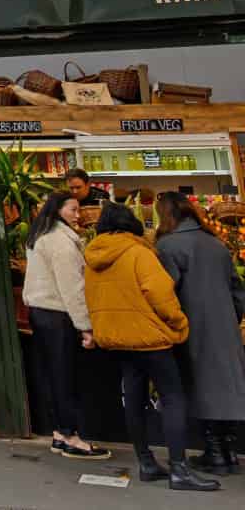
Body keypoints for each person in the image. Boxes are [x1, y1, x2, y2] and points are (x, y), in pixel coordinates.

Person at [83, 202, 215, 489]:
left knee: (134, 399)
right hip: (149, 339)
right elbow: (160, 294)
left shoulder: (93, 258)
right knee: (173, 397)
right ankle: (179, 469)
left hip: (117, 341)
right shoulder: (139, 253)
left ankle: (145, 462)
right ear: (131, 224)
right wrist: (179, 324)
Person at [154, 192, 245, 476]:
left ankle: (214, 452)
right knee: (225, 385)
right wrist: (232, 318)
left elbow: (166, 292)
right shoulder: (216, 244)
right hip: (225, 324)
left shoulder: (168, 246)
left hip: (192, 324)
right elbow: (237, 289)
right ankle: (227, 451)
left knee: (200, 385)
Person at [23, 190, 109, 459]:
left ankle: (60, 432)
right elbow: (72, 287)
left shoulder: (42, 236)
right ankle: (72, 436)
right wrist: (85, 325)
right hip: (58, 314)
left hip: (40, 311)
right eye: (72, 209)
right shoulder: (60, 242)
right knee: (65, 375)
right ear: (57, 210)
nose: (78, 214)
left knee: (54, 374)